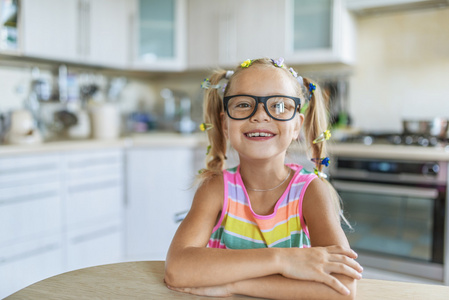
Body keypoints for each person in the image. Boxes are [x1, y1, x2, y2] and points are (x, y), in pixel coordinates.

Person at [164, 58, 363, 299]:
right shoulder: (215, 188)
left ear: (296, 126)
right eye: (244, 104)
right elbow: (177, 269)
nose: (260, 116)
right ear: (225, 123)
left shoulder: (311, 191)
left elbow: (343, 288)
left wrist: (232, 286)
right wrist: (281, 259)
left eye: (279, 106)